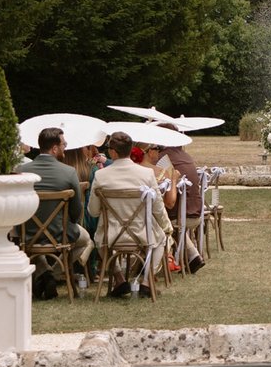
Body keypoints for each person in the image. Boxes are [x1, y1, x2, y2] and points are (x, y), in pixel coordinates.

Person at [88, 132, 171, 297]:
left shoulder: (100, 175)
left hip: (111, 236)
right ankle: (146, 282)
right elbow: (157, 207)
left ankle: (119, 279)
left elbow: (93, 211)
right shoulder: (146, 174)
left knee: (99, 240)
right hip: (142, 234)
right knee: (161, 237)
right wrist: (166, 226)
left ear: (112, 152)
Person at [18, 127, 91, 278]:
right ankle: (54, 274)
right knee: (85, 240)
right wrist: (69, 223)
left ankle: (43, 273)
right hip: (59, 232)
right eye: (64, 144)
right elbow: (76, 211)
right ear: (54, 148)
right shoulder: (69, 172)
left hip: (26, 232)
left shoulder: (20, 170)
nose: (66, 147)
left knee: (30, 240)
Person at [152, 127, 206, 273]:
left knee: (154, 216)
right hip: (197, 212)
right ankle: (192, 254)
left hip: (181, 215)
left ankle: (153, 264)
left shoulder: (163, 158)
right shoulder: (186, 156)